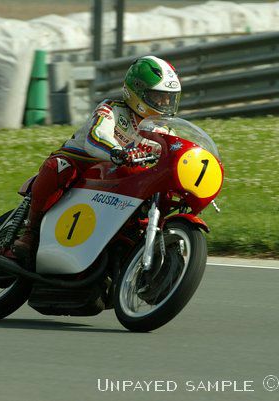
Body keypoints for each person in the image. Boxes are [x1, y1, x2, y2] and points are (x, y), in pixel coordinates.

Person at [13, 55, 182, 258]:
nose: (165, 103)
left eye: (169, 98)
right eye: (158, 96)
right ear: (137, 91)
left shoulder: (164, 132)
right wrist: (117, 151)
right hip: (83, 162)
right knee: (58, 167)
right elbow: (96, 137)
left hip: (118, 178)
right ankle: (30, 231)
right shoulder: (111, 108)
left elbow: (175, 155)